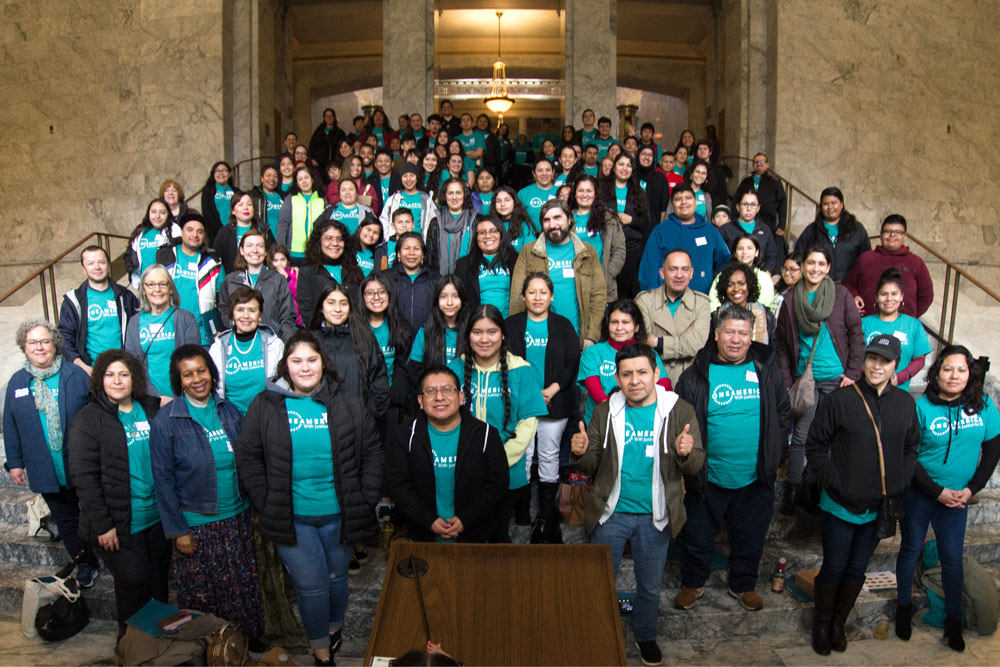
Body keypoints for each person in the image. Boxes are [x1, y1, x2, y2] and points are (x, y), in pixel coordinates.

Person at [236, 332, 383, 665]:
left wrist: (365, 497)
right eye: (296, 360)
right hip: (293, 517)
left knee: (336, 579)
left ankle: (333, 631)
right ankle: (321, 654)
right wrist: (265, 500)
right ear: (285, 365)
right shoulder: (266, 403)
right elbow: (247, 455)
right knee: (312, 586)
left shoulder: (347, 401)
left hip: (340, 514)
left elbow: (373, 451)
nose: (305, 368)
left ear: (323, 362)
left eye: (312, 360)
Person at [571, 343, 704, 667]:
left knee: (649, 585)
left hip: (654, 514)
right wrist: (580, 452)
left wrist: (685, 454)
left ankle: (645, 636)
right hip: (610, 513)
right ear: (616, 376)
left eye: (642, 372)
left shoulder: (679, 410)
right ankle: (597, 633)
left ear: (656, 374)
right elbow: (592, 462)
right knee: (600, 582)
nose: (635, 380)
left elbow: (696, 464)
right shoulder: (606, 410)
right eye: (626, 373)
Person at [805, 335, 918, 655]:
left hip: (879, 505)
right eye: (872, 358)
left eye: (884, 360)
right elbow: (815, 446)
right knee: (834, 566)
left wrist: (901, 479)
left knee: (857, 569)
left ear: (896, 364)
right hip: (840, 504)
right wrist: (835, 481)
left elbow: (911, 447)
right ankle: (822, 624)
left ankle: (839, 623)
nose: (876, 365)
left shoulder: (904, 403)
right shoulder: (840, 400)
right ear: (864, 360)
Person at [673, 306, 790, 613]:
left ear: (751, 337)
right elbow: (679, 423)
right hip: (707, 476)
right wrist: (684, 470)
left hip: (754, 476)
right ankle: (693, 583)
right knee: (697, 535)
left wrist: (777, 458)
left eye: (743, 333)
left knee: (750, 536)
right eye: (729, 332)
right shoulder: (695, 375)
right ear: (716, 334)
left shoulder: (767, 370)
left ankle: (743, 585)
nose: (736, 339)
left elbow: (782, 415)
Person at [149, 345, 265, 646]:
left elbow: (246, 461)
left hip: (236, 518)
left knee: (242, 587)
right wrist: (178, 531)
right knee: (205, 594)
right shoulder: (166, 421)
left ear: (212, 373)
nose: (196, 379)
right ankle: (210, 649)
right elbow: (163, 481)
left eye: (201, 371)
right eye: (187, 374)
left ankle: (243, 644)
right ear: (179, 380)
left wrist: (252, 506)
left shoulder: (228, 411)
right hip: (197, 525)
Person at [894, 345, 1000, 651]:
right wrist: (937, 491)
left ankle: (954, 621)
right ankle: (903, 609)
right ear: (936, 372)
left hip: (958, 498)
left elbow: (993, 448)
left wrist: (971, 489)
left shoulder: (982, 405)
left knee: (952, 559)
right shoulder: (921, 407)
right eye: (948, 369)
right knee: (911, 548)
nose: (954, 376)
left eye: (961, 370)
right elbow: (909, 456)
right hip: (922, 493)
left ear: (970, 374)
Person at [66, 349, 169, 637]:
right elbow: (84, 479)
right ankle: (131, 645)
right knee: (134, 580)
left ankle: (159, 643)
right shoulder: (88, 420)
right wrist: (103, 525)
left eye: (124, 374)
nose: (117, 380)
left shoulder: (150, 408)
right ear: (100, 379)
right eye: (110, 375)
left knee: (160, 579)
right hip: (119, 522)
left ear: (134, 378)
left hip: (157, 516)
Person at [4, 320, 99, 585]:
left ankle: (112, 557)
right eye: (33, 342)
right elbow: (9, 424)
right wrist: (15, 463)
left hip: (82, 463)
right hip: (45, 467)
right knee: (67, 520)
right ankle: (84, 563)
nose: (40, 347)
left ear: (54, 344)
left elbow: (97, 413)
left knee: (94, 513)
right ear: (24, 346)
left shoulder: (74, 375)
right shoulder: (17, 382)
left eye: (45, 341)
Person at [775, 245, 866, 514]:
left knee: (830, 438)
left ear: (828, 268)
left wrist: (852, 373)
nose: (815, 268)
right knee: (801, 437)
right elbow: (781, 344)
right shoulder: (791, 298)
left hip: (839, 380)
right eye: (810, 263)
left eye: (821, 264)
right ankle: (792, 490)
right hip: (807, 379)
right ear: (803, 267)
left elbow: (855, 334)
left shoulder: (840, 295)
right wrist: (788, 380)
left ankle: (814, 490)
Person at [447, 305, 549, 542]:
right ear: (468, 335)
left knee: (497, 539)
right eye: (477, 332)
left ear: (502, 335)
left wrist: (494, 463)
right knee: (464, 541)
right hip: (461, 472)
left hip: (505, 473)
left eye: (491, 332)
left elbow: (527, 427)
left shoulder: (522, 371)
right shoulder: (453, 370)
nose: (484, 339)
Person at [386, 365, 509, 543]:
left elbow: (497, 484)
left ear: (460, 397)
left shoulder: (486, 435)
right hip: (422, 537)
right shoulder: (405, 435)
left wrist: (465, 519)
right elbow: (397, 485)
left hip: (473, 538)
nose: (439, 397)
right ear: (420, 401)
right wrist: (428, 520)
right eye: (430, 391)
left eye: (447, 389)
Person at [504, 273, 580, 542]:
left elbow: (573, 362)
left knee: (548, 456)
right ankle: (522, 513)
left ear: (552, 296)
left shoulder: (563, 325)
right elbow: (505, 361)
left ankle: (547, 513)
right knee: (522, 455)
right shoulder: (511, 325)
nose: (537, 297)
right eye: (532, 292)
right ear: (523, 296)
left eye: (543, 292)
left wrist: (553, 389)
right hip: (521, 401)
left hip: (555, 401)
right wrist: (532, 394)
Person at [509, 199, 606, 347]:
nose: (552, 225)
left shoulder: (587, 252)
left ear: (569, 219)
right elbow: (517, 296)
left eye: (557, 218)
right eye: (546, 220)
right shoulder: (528, 252)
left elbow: (598, 294)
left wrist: (591, 336)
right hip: (537, 338)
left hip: (577, 336)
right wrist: (516, 335)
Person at [578, 298, 674, 425]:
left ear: (636, 327)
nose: (619, 328)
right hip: (602, 422)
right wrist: (623, 414)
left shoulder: (649, 353)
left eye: (625, 322)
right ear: (607, 325)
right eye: (614, 322)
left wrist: (638, 413)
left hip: (640, 422)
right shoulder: (592, 353)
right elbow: (595, 391)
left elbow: (665, 387)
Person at [309, 282, 390, 422]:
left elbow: (379, 381)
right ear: (321, 308)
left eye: (343, 303)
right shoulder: (309, 341)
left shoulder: (364, 338)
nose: (338, 309)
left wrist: (366, 415)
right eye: (331, 303)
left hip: (358, 422)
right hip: (318, 422)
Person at [636, 248, 712, 386]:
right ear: (662, 273)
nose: (679, 275)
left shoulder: (702, 303)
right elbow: (643, 341)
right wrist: (680, 344)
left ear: (691, 273)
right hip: (653, 378)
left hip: (690, 380)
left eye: (684, 269)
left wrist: (659, 343)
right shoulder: (644, 301)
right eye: (673, 269)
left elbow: (695, 345)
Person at [59, 245, 139, 375]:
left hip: (124, 369)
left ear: (108, 265)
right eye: (91, 263)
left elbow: (138, 330)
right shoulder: (74, 301)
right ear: (83, 269)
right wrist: (82, 367)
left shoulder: (125, 296)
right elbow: (64, 338)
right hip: (91, 371)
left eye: (101, 262)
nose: (97, 267)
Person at [124, 265, 201, 399]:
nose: (157, 290)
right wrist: (158, 397)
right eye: (151, 285)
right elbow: (133, 366)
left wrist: (176, 395)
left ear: (170, 289)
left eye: (162, 284)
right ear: (144, 289)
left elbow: (193, 362)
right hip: (149, 398)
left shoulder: (185, 319)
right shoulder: (134, 322)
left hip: (183, 396)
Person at [638, 184, 730, 295]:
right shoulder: (661, 231)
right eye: (678, 199)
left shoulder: (709, 230)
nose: (684, 202)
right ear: (672, 205)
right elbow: (648, 270)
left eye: (688, 198)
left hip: (703, 301)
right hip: (668, 302)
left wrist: (719, 292)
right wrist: (652, 300)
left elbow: (725, 262)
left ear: (695, 202)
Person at [209, 286, 284, 415]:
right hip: (230, 420)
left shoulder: (275, 345)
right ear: (232, 314)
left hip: (267, 416)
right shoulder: (218, 347)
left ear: (259, 316)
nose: (246, 316)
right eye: (240, 310)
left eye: (252, 310)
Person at [844, 214, 934, 318]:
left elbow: (926, 295)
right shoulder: (865, 258)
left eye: (898, 232)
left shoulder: (916, 262)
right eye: (887, 231)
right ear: (881, 235)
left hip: (903, 326)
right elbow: (849, 285)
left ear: (905, 236)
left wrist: (910, 316)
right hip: (868, 323)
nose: (892, 235)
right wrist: (854, 297)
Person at [156, 213, 225, 345]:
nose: (195, 235)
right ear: (181, 232)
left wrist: (221, 328)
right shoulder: (166, 256)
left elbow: (222, 298)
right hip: (168, 329)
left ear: (204, 236)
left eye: (200, 232)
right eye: (190, 230)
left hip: (202, 334)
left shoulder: (213, 262)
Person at [860, 269, 931, 391]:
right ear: (876, 297)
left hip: (899, 390)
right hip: (865, 388)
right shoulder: (863, 324)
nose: (889, 299)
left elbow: (919, 360)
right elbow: (852, 356)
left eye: (894, 294)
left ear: (902, 296)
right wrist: (870, 375)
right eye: (883, 294)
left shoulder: (914, 325)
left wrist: (899, 378)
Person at [218, 229, 296, 340]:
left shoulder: (278, 280)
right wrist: (233, 325)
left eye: (259, 246)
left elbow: (287, 317)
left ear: (265, 252)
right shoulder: (230, 280)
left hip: (271, 343)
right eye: (249, 246)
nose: (254, 250)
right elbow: (223, 309)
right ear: (241, 250)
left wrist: (287, 346)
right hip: (239, 342)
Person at [793, 187, 871, 282]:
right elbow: (798, 256)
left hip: (849, 288)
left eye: (834, 203)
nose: (830, 207)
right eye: (826, 204)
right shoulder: (812, 230)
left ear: (841, 204)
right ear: (821, 207)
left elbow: (866, 260)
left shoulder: (857, 229)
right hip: (818, 288)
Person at [569, 175, 626, 302]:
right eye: (580, 190)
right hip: (572, 284)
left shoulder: (608, 217)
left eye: (589, 191)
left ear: (595, 194)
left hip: (600, 285)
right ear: (575, 194)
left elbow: (619, 251)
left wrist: (607, 275)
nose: (585, 195)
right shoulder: (566, 218)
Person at [295, 219, 365, 322]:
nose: (335, 243)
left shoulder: (355, 271)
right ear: (319, 241)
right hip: (321, 335)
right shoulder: (308, 272)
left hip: (354, 333)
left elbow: (361, 307)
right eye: (329, 238)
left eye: (339, 239)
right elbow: (307, 311)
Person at [604, 153, 651, 298]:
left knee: (625, 291)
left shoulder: (638, 191)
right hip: (607, 246)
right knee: (607, 287)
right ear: (614, 167)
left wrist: (631, 220)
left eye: (628, 165)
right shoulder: (602, 189)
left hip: (631, 247)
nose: (625, 168)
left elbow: (646, 221)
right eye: (621, 164)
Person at [454, 216, 516, 318]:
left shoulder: (516, 261)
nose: (488, 236)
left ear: (501, 234)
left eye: (493, 231)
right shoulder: (463, 265)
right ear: (476, 238)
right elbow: (459, 299)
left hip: (509, 323)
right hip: (478, 324)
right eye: (482, 232)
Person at [408, 275, 469, 379]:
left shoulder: (471, 330)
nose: (450, 303)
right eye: (443, 297)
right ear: (437, 299)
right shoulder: (425, 330)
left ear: (462, 299)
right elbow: (414, 370)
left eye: (455, 296)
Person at [382, 231, 440, 330]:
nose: (411, 253)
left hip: (426, 341)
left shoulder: (436, 280)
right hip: (393, 341)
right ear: (399, 254)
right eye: (406, 248)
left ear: (423, 255)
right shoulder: (385, 278)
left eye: (416, 249)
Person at [212, 190, 276, 274]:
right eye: (240, 204)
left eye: (249, 204)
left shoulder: (264, 230)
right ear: (233, 211)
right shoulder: (224, 233)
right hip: (232, 280)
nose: (246, 208)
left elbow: (274, 255)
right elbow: (216, 260)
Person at [711, 262, 775, 344]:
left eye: (741, 284)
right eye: (730, 285)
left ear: (750, 285)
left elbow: (774, 348)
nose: (736, 289)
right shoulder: (716, 316)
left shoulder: (767, 315)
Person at [720, 190, 780, 276]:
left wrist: (767, 272)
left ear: (758, 208)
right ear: (738, 207)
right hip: (732, 278)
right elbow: (718, 257)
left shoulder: (765, 229)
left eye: (753, 205)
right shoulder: (725, 229)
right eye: (745, 204)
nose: (749, 209)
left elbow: (772, 255)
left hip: (759, 278)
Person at [708, 234, 775, 310]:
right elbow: (713, 304)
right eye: (740, 249)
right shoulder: (722, 276)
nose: (745, 252)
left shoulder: (764, 278)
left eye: (749, 248)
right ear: (735, 253)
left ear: (757, 252)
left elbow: (766, 306)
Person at [124, 198, 181, 289]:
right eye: (153, 212)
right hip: (145, 286)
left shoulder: (175, 231)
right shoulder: (140, 232)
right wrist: (134, 277)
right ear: (148, 214)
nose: (157, 216)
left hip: (167, 287)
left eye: (162, 212)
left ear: (168, 214)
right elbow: (130, 256)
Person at [427, 178, 476, 275]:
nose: (454, 197)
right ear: (445, 195)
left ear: (464, 195)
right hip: (440, 280)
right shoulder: (436, 222)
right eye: (450, 193)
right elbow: (430, 256)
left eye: (458, 193)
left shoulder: (474, 221)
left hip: (468, 279)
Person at [733, 153, 787, 240]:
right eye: (756, 162)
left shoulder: (774, 181)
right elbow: (736, 200)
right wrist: (734, 220)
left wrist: (782, 225)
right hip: (746, 223)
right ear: (753, 165)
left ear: (767, 165)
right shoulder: (746, 181)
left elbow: (782, 202)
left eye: (762, 161)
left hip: (768, 223)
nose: (759, 164)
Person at [380, 163, 436, 238]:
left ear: (417, 178)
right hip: (398, 242)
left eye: (412, 176)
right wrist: (388, 239)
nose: (408, 179)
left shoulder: (426, 199)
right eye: (405, 176)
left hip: (419, 241)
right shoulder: (394, 199)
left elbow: (434, 221)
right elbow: (384, 220)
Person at [490, 186, 538, 252]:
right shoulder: (490, 224)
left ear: (514, 202)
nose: (502, 204)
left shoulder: (525, 225)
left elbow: (530, 254)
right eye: (498, 201)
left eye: (507, 200)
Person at [517, 158, 558, 230]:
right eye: (540, 170)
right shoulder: (523, 193)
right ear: (534, 173)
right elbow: (517, 219)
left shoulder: (560, 192)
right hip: (530, 238)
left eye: (548, 170)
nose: (544, 173)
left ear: (553, 172)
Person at [199, 161, 234, 243]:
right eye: (218, 171)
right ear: (213, 174)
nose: (221, 173)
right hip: (215, 234)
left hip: (235, 232)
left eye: (224, 170)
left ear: (229, 174)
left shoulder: (236, 191)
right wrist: (221, 231)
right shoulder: (207, 190)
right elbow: (207, 212)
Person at [269, 244, 303, 328]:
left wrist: (287, 279)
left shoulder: (293, 273)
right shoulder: (268, 276)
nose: (279, 264)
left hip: (294, 318)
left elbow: (298, 293)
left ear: (288, 261)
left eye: (282, 260)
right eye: (275, 260)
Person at [635, 145, 670, 224]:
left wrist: (660, 228)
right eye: (644, 154)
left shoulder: (660, 178)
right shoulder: (631, 176)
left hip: (654, 226)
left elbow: (664, 207)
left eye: (650, 155)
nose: (647, 157)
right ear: (638, 156)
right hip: (632, 226)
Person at [251, 164, 284, 240]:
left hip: (282, 240)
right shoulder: (254, 195)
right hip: (263, 238)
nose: (272, 179)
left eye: (275, 176)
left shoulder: (284, 196)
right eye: (268, 175)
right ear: (262, 178)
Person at [772, 251, 804, 317]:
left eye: (792, 270)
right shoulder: (776, 288)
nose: (787, 273)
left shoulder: (803, 294)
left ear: (802, 271)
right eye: (785, 269)